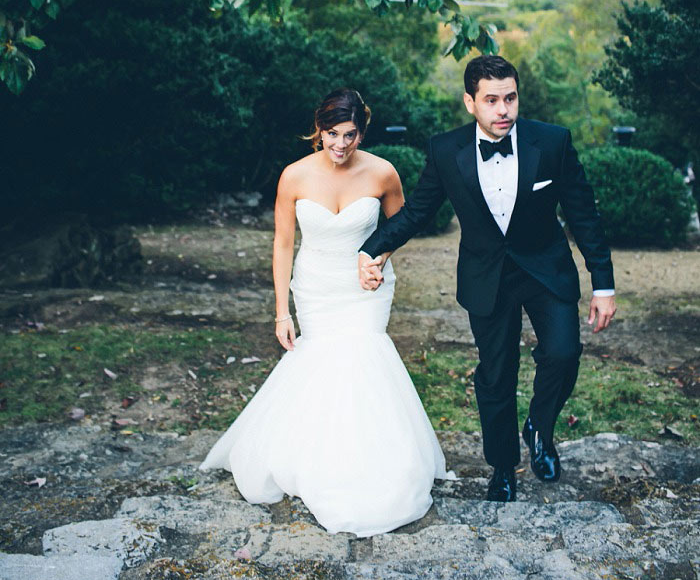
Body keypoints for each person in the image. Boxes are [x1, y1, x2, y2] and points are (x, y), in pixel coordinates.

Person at [358, 55, 616, 503]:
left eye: (510, 98)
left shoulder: (552, 143)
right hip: (487, 276)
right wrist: (371, 248)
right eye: (492, 100)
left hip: (545, 269)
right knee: (496, 375)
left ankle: (539, 424)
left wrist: (604, 283)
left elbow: (583, 213)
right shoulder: (445, 149)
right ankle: (502, 466)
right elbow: (418, 211)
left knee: (564, 352)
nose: (503, 110)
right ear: (469, 102)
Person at [199, 88, 449, 536]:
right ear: (319, 129)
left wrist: (377, 260)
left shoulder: (383, 173)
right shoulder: (293, 176)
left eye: (350, 135)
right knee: (324, 366)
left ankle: (368, 465)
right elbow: (282, 244)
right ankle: (317, 459)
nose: (340, 144)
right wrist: (281, 311)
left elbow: (400, 226)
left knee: (361, 360)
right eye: (332, 133)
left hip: (365, 290)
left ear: (362, 132)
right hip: (315, 288)